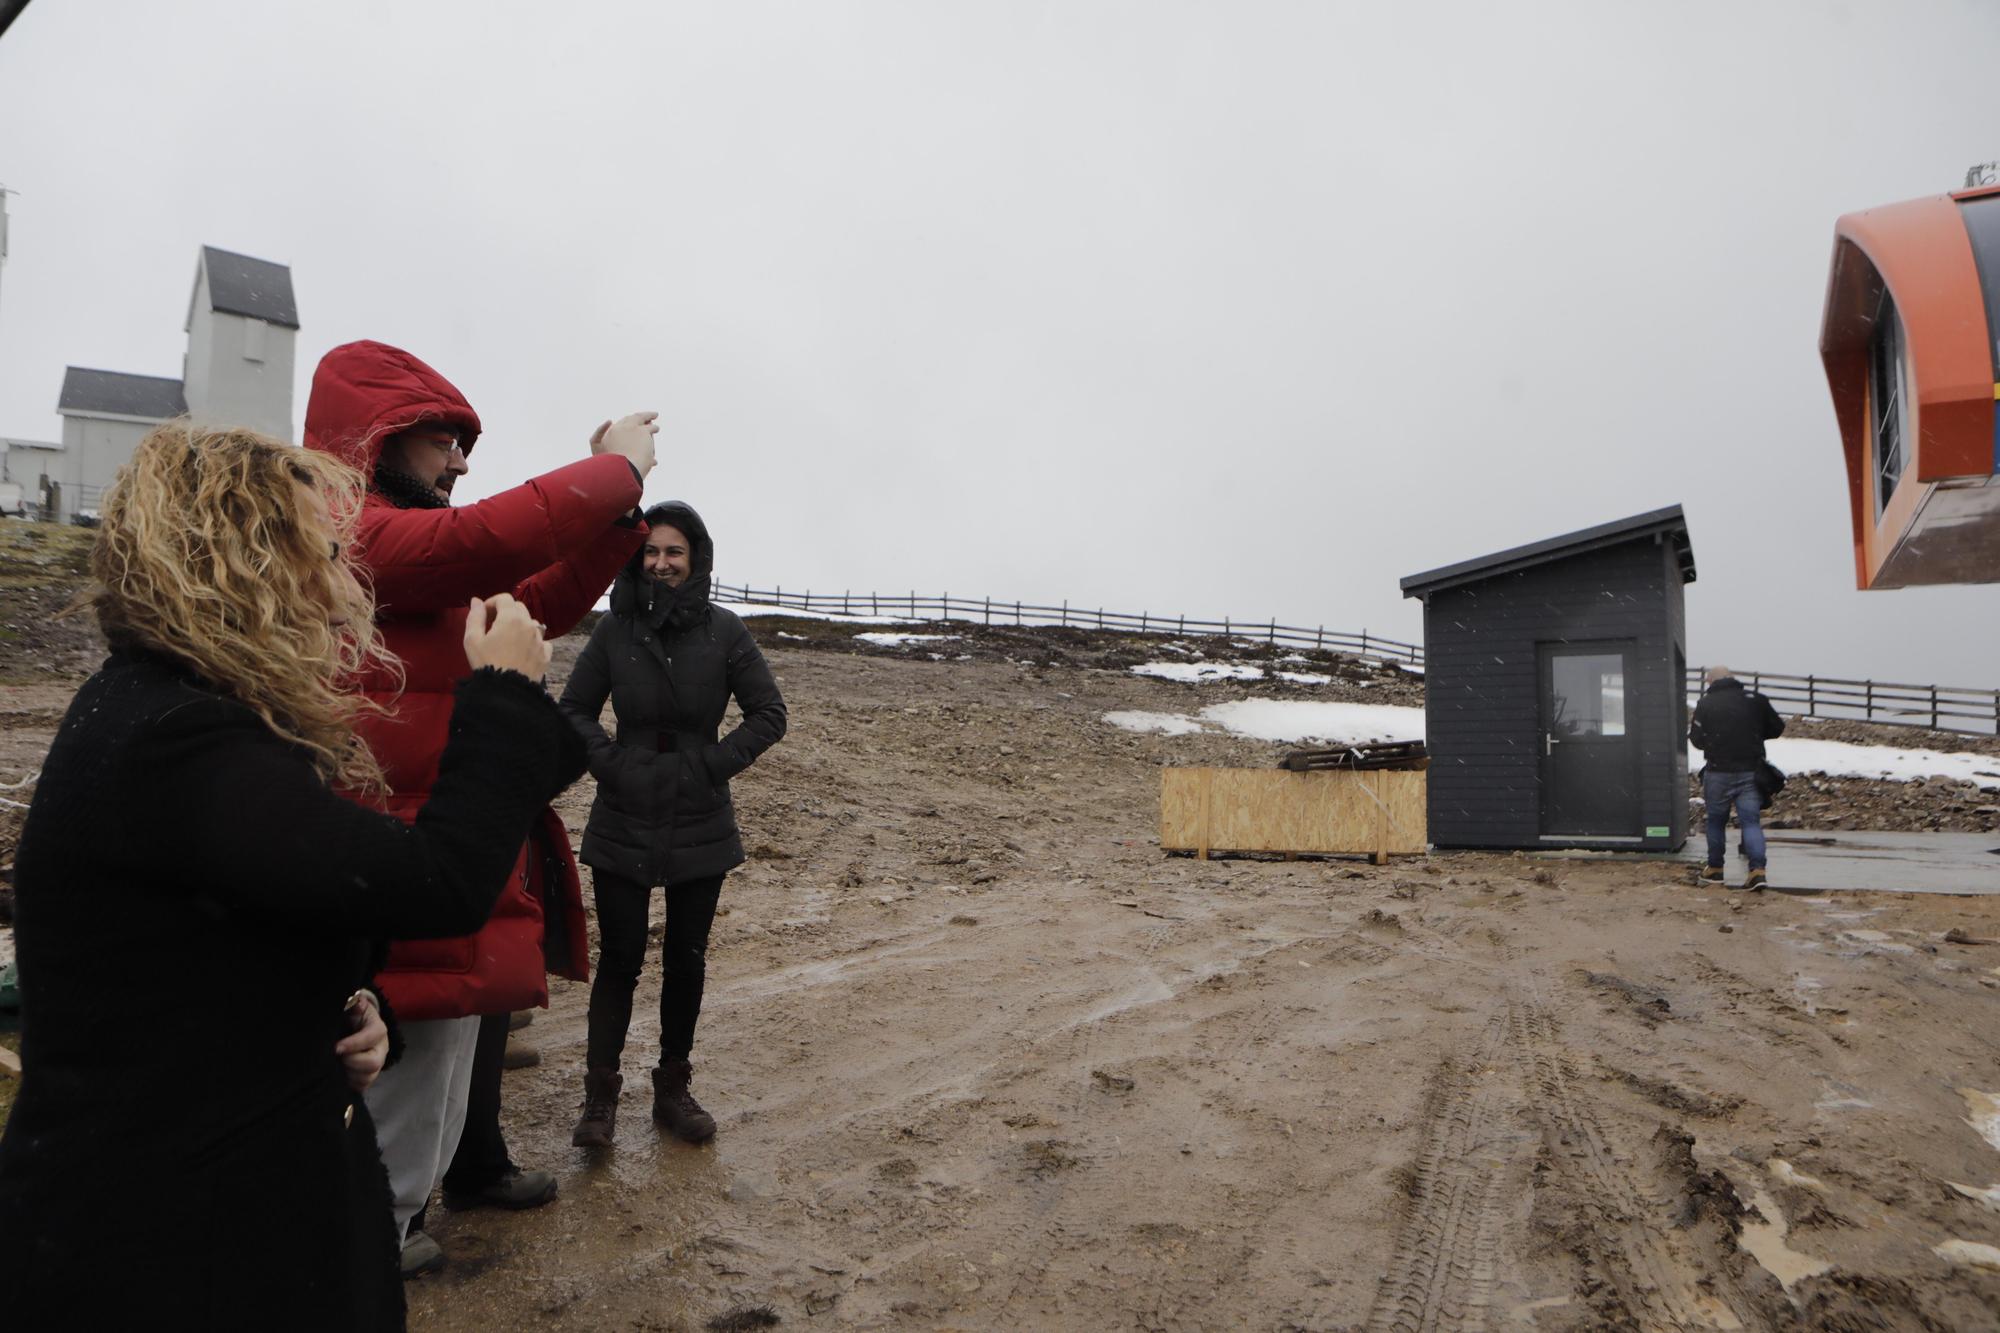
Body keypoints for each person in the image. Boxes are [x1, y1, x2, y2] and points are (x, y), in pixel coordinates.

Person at [0, 424, 582, 1330]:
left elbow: (249, 927)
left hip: (199, 1204)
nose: (344, 581)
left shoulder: (171, 710)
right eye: (320, 551)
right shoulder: (176, 740)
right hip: (172, 1249)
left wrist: (349, 1009)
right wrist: (503, 695)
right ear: (240, 561)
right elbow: (431, 883)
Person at [302, 340, 655, 1274]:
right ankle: (363, 1253)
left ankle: (394, 1229)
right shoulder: (353, 531)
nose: (461, 461)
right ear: (376, 437)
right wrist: (614, 465)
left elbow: (535, 594)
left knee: (443, 1074)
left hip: (439, 845)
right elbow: (496, 538)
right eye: (442, 439)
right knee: (398, 1083)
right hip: (397, 856)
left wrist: (617, 511)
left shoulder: (414, 554)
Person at [560, 502, 786, 1146]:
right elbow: (574, 710)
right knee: (621, 957)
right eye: (651, 552)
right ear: (638, 557)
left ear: (696, 561)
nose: (661, 563)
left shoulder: (725, 632)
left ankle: (673, 1090)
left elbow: (769, 713)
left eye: (674, 553)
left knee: (687, 958)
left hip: (700, 814)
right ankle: (599, 1098)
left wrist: (709, 766)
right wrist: (611, 764)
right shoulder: (614, 630)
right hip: (623, 811)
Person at [1689, 665, 1785, 891]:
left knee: (1715, 821)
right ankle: (1757, 872)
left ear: (1711, 682)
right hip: (1750, 772)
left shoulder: (1706, 704)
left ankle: (1715, 870)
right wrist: (1752, 733)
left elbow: (1696, 739)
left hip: (1717, 772)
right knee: (1750, 822)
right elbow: (1777, 727)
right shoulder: (1756, 700)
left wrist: (1716, 742)